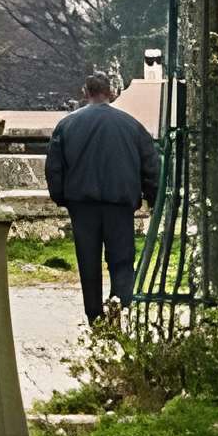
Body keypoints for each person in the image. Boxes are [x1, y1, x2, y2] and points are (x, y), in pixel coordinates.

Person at [45, 71, 162, 324]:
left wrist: (62, 198)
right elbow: (150, 165)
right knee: (122, 261)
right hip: (119, 204)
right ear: (111, 93)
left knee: (89, 263)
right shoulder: (131, 125)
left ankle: (94, 317)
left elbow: (54, 168)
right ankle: (120, 309)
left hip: (82, 206)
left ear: (84, 92)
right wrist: (152, 197)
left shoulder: (67, 125)